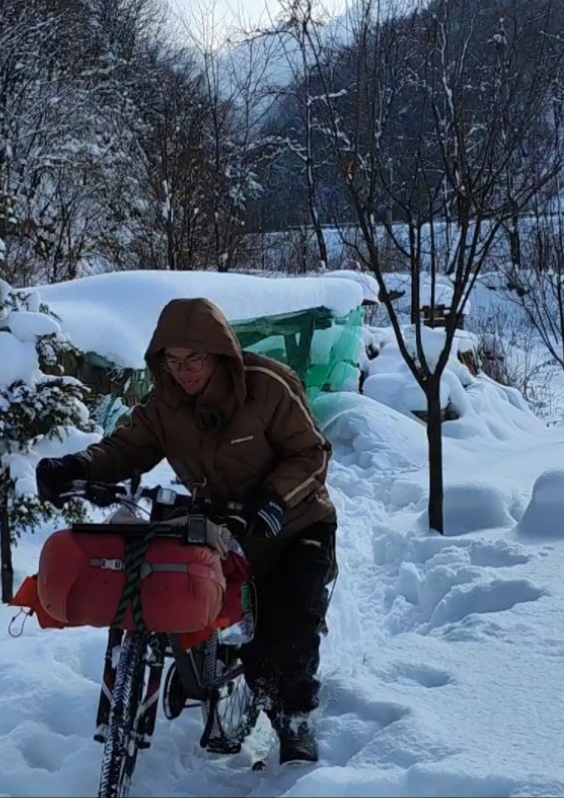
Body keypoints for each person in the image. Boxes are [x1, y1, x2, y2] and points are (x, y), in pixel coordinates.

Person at [36, 296, 338, 766]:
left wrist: (273, 504)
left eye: (195, 358)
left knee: (287, 633)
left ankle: (295, 719)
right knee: (170, 582)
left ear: (219, 352)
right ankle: (197, 669)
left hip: (295, 522)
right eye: (173, 361)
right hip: (222, 522)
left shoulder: (267, 386)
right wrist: (76, 466)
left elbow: (313, 453)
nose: (185, 370)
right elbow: (126, 448)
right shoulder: (166, 405)